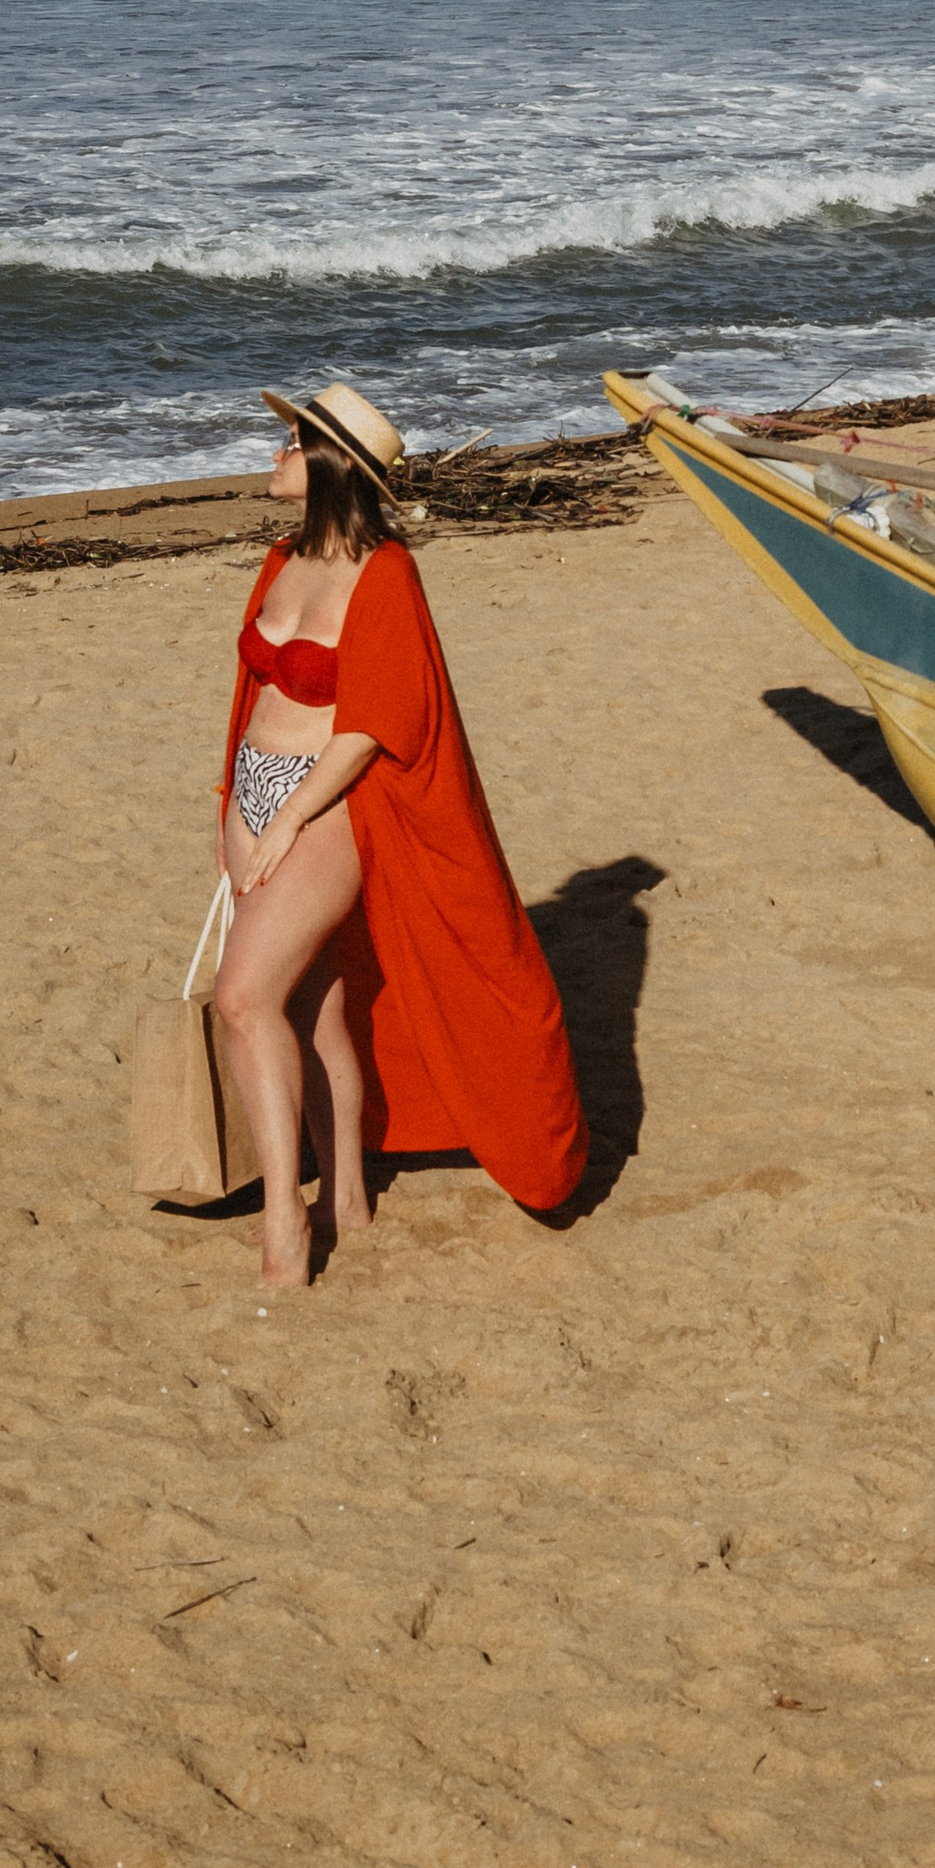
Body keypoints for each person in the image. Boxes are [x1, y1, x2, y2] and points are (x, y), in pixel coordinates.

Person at [213, 379, 586, 1288]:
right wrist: (231, 801)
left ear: (329, 463)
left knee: (242, 1000)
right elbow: (252, 692)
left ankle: (284, 1228)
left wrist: (288, 817)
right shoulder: (278, 558)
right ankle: (348, 1200)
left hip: (326, 808)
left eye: (291, 443)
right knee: (315, 1007)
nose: (274, 455)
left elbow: (375, 723)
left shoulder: (387, 573)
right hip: (253, 797)